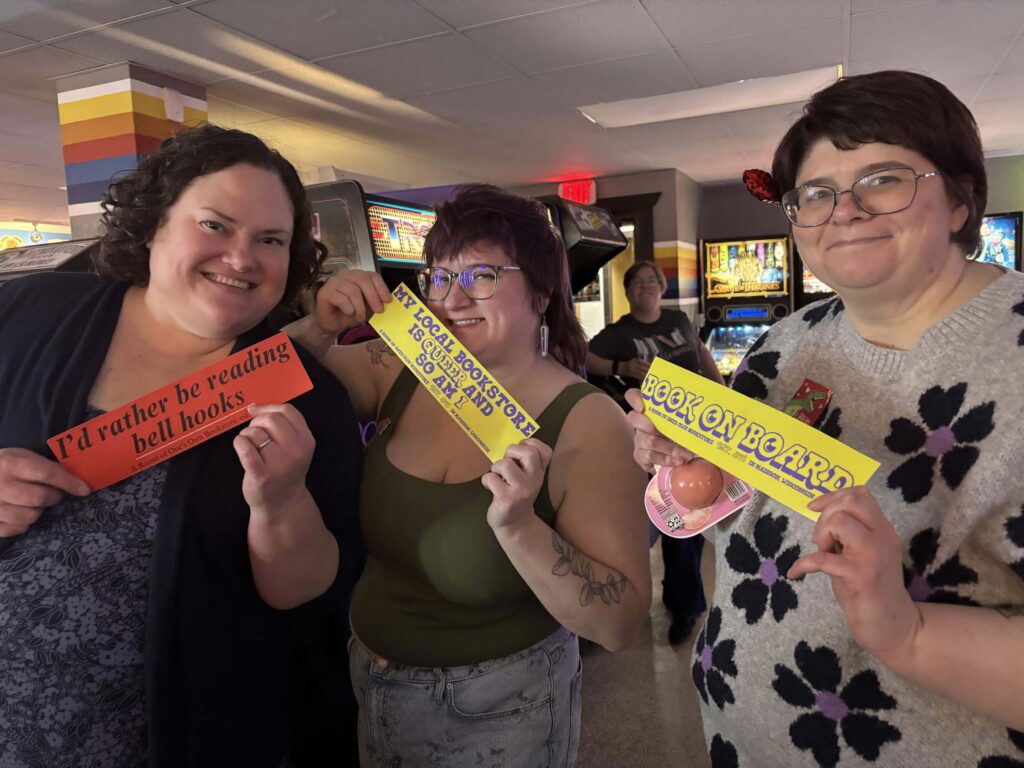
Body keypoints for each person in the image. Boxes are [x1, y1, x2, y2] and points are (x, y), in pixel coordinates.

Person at [628, 70, 1024, 767]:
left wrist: (908, 633)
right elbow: (735, 508)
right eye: (816, 193)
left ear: (961, 201)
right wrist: (686, 464)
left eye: (883, 178)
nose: (844, 210)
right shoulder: (785, 340)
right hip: (739, 734)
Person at [0, 124, 364, 768]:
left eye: (270, 240)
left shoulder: (310, 400)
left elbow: (305, 593)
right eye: (215, 225)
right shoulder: (27, 312)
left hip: (186, 739)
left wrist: (279, 504)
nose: (242, 256)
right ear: (153, 224)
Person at [287, 183, 651, 767]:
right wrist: (318, 326)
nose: (451, 298)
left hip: (506, 706)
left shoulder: (587, 421)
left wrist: (519, 527)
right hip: (369, 681)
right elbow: (256, 387)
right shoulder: (400, 368)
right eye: (437, 276)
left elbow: (621, 621)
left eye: (481, 274)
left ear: (541, 289)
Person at [587, 260, 723, 645]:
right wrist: (621, 365)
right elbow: (582, 356)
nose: (645, 287)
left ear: (661, 288)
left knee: (688, 526)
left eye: (652, 281)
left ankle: (685, 606)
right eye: (637, 282)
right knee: (657, 521)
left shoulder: (679, 320)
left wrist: (723, 389)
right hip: (653, 440)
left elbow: (700, 351)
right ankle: (624, 603)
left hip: (701, 431)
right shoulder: (619, 332)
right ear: (627, 291)